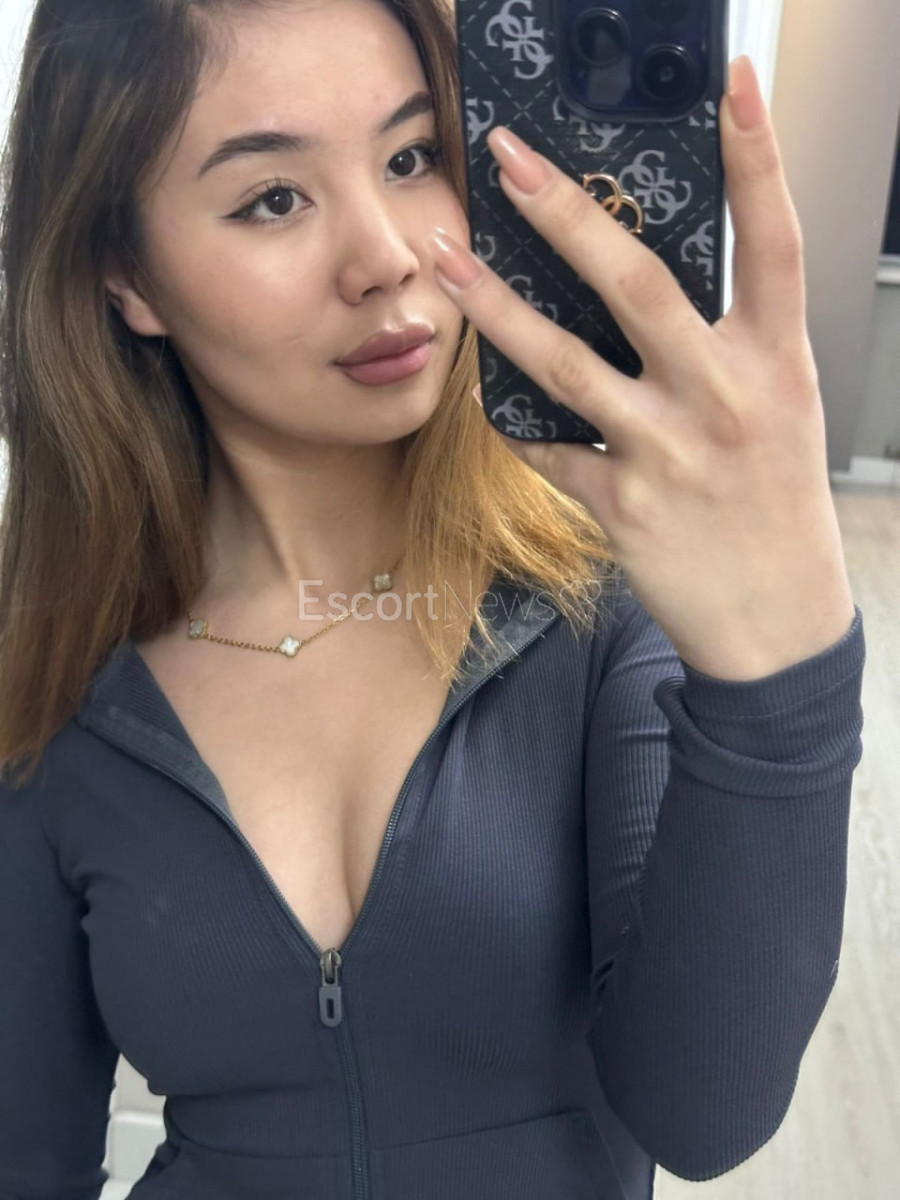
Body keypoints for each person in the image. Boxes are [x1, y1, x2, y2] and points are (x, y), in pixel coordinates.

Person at [0, 1, 864, 1198]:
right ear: (127, 276)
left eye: (411, 157)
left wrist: (786, 665)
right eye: (274, 198)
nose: (387, 258)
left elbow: (705, 1109)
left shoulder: (600, 597)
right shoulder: (55, 679)